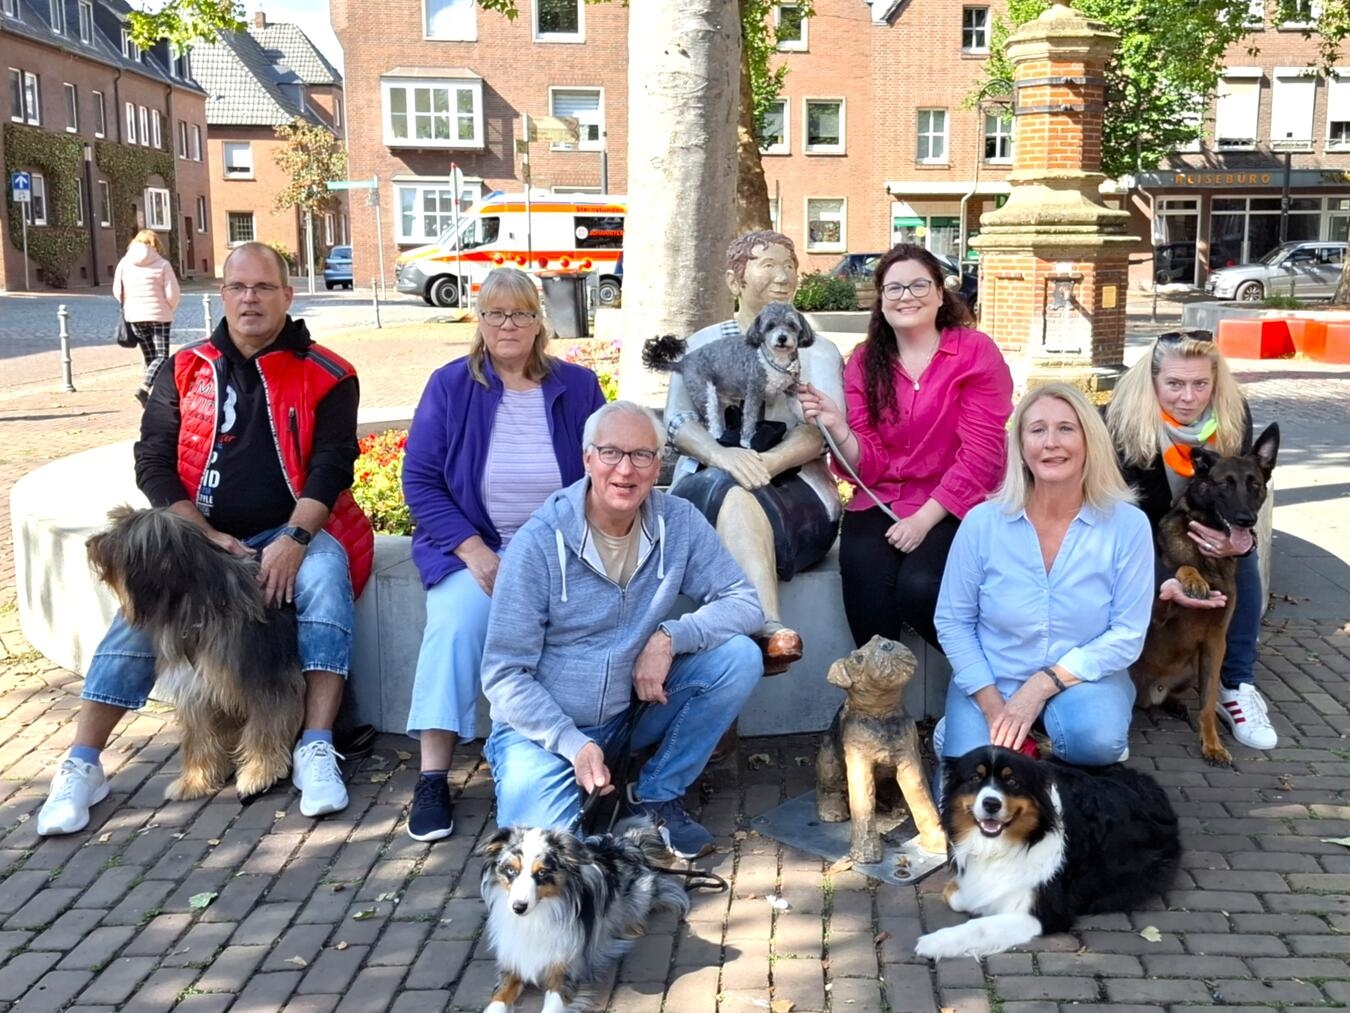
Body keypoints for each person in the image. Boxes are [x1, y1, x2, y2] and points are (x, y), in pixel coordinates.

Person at [37, 242, 372, 836]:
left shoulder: (329, 373)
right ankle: (83, 763)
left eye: (263, 287)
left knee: (323, 578)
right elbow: (153, 462)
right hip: (200, 531)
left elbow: (332, 465)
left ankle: (316, 746)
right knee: (141, 612)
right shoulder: (184, 368)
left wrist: (294, 538)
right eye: (238, 287)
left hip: (296, 526)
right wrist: (206, 534)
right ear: (222, 295)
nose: (250, 299)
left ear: (287, 296)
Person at [481, 401, 764, 859]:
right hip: (543, 733)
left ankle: (656, 792)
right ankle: (581, 793)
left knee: (738, 658)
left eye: (641, 455)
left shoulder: (679, 522)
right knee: (541, 859)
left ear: (658, 464)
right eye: (611, 453)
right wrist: (573, 744)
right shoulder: (539, 543)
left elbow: (745, 602)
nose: (625, 470)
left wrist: (669, 637)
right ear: (587, 458)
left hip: (629, 713)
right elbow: (504, 674)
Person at [401, 268, 606, 843]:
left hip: (558, 551)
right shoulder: (450, 386)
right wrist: (473, 550)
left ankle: (569, 754)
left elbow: (602, 470)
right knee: (456, 624)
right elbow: (420, 481)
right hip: (475, 550)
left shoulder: (577, 387)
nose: (507, 325)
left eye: (520, 313)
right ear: (480, 320)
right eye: (495, 313)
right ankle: (433, 775)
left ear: (540, 322)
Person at [798, 244, 1013, 653]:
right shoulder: (865, 362)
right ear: (881, 300)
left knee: (920, 587)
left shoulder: (974, 353)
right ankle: (880, 688)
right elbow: (868, 466)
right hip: (881, 498)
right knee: (866, 581)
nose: (906, 296)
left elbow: (983, 454)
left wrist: (922, 521)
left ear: (940, 294)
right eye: (894, 288)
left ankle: (997, 673)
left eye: (919, 285)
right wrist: (838, 426)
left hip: (956, 502)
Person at [933, 383, 1154, 766]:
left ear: (1090, 441)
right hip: (995, 676)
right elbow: (953, 621)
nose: (1051, 442)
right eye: (1037, 430)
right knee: (967, 784)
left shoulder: (1128, 525)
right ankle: (959, 730)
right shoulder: (982, 523)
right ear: (1020, 446)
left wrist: (1039, 687)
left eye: (1066, 428)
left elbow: (1128, 633)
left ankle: (1068, 730)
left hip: (1083, 678)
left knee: (1097, 741)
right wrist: (994, 709)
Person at [663, 230, 844, 673]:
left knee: (742, 491)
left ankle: (756, 632)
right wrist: (722, 456)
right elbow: (679, 421)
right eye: (768, 265)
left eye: (790, 266)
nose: (783, 276)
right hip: (708, 479)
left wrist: (767, 462)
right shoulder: (702, 345)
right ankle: (767, 628)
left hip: (794, 490)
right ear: (735, 279)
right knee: (732, 489)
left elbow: (820, 430)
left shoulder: (817, 351)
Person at [1105, 330, 1276, 750]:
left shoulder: (1232, 416)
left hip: (1207, 522)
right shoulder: (1122, 424)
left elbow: (1245, 492)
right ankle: (1118, 683)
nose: (1188, 397)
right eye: (1175, 384)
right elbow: (1123, 516)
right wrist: (1167, 573)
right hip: (1140, 531)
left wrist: (1241, 541)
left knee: (1243, 562)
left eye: (1201, 383)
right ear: (1153, 381)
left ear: (1216, 382)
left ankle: (1236, 686)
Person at [113, 229, 182, 406]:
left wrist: (128, 305)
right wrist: (169, 308)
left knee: (151, 357)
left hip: (135, 316)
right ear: (156, 244)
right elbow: (172, 294)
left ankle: (157, 397)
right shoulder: (163, 264)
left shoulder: (124, 263)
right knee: (161, 356)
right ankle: (144, 388)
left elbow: (117, 290)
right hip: (159, 315)